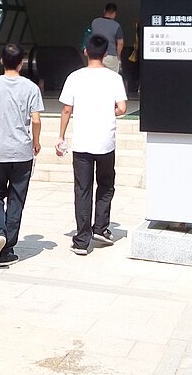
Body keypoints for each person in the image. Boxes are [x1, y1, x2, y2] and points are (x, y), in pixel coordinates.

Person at [57, 34, 128, 255]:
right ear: (106, 54)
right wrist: (108, 112)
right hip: (106, 141)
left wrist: (61, 137)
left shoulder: (74, 77)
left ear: (85, 51)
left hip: (81, 143)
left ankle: (81, 241)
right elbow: (122, 108)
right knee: (106, 185)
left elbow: (67, 109)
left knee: (82, 189)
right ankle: (101, 228)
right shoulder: (114, 78)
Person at [0, 43, 44, 268]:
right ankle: (7, 250)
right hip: (22, 152)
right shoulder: (31, 87)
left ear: (1, 61)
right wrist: (36, 142)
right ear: (21, 62)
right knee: (16, 199)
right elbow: (35, 120)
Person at [89, 3, 125, 74]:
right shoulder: (116, 26)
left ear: (104, 10)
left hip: (97, 55)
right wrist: (118, 57)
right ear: (114, 13)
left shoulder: (95, 22)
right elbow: (120, 43)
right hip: (111, 56)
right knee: (112, 77)